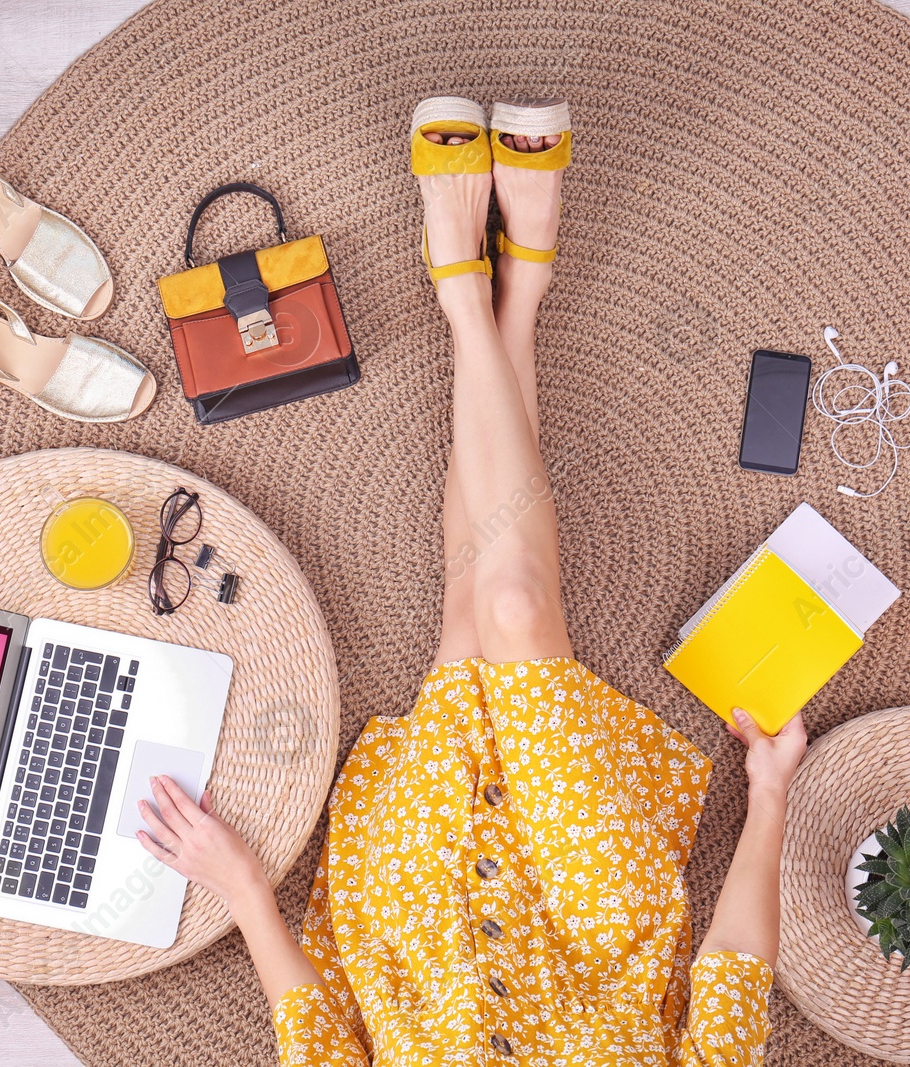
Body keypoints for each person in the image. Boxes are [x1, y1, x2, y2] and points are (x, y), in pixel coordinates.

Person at [137, 95, 809, 1066]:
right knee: (515, 607)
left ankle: (509, 289)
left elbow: (320, 1046)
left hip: (417, 925)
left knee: (470, 608)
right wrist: (771, 788)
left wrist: (244, 888)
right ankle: (473, 290)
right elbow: (734, 983)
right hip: (596, 925)